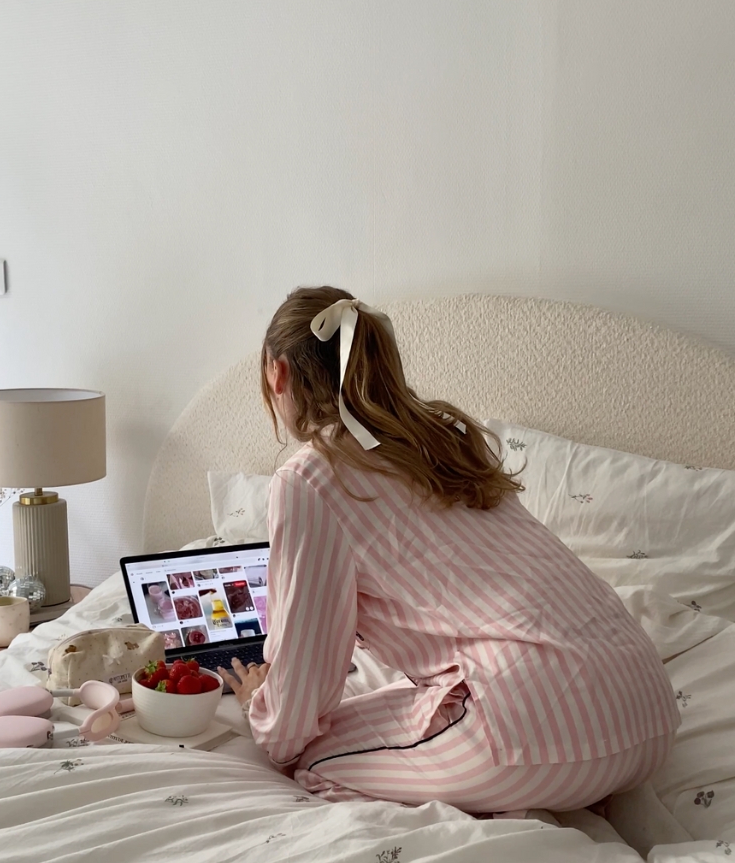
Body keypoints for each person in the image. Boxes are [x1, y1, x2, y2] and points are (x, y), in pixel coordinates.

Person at [217, 286, 680, 814]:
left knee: (312, 759)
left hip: (542, 730)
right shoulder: (449, 435)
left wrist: (267, 713)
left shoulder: (310, 478)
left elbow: (306, 668)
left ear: (278, 374)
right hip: (649, 712)